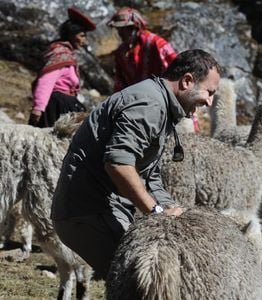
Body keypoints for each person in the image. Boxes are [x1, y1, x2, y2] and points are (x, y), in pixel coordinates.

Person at [51, 49, 221, 279]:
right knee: (144, 280)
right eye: (209, 92)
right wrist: (158, 212)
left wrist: (174, 214)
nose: (210, 102)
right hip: (89, 212)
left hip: (101, 209)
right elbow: (118, 164)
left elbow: (149, 176)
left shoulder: (161, 104)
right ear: (187, 81)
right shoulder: (149, 104)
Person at [107, 7, 200, 132]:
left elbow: (179, 68)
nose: (120, 34)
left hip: (165, 99)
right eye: (119, 30)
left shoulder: (155, 43)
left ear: (134, 27)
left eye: (123, 30)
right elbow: (120, 82)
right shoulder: (121, 52)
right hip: (138, 103)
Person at [28, 6, 96, 128]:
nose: (84, 41)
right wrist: (38, 108)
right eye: (82, 36)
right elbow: (46, 81)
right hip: (56, 107)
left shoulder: (67, 55)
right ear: (71, 34)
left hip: (65, 104)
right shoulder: (60, 54)